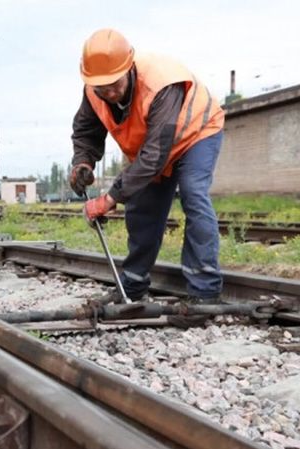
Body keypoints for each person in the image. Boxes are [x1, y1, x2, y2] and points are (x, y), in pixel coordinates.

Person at [69, 29, 225, 326]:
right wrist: (83, 162)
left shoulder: (161, 82)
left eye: (114, 85)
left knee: (193, 193)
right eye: (102, 88)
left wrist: (110, 197)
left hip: (197, 134)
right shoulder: (95, 88)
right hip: (155, 146)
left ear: (128, 68)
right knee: (142, 207)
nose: (109, 93)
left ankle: (205, 295)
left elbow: (155, 154)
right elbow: (87, 131)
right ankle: (133, 286)